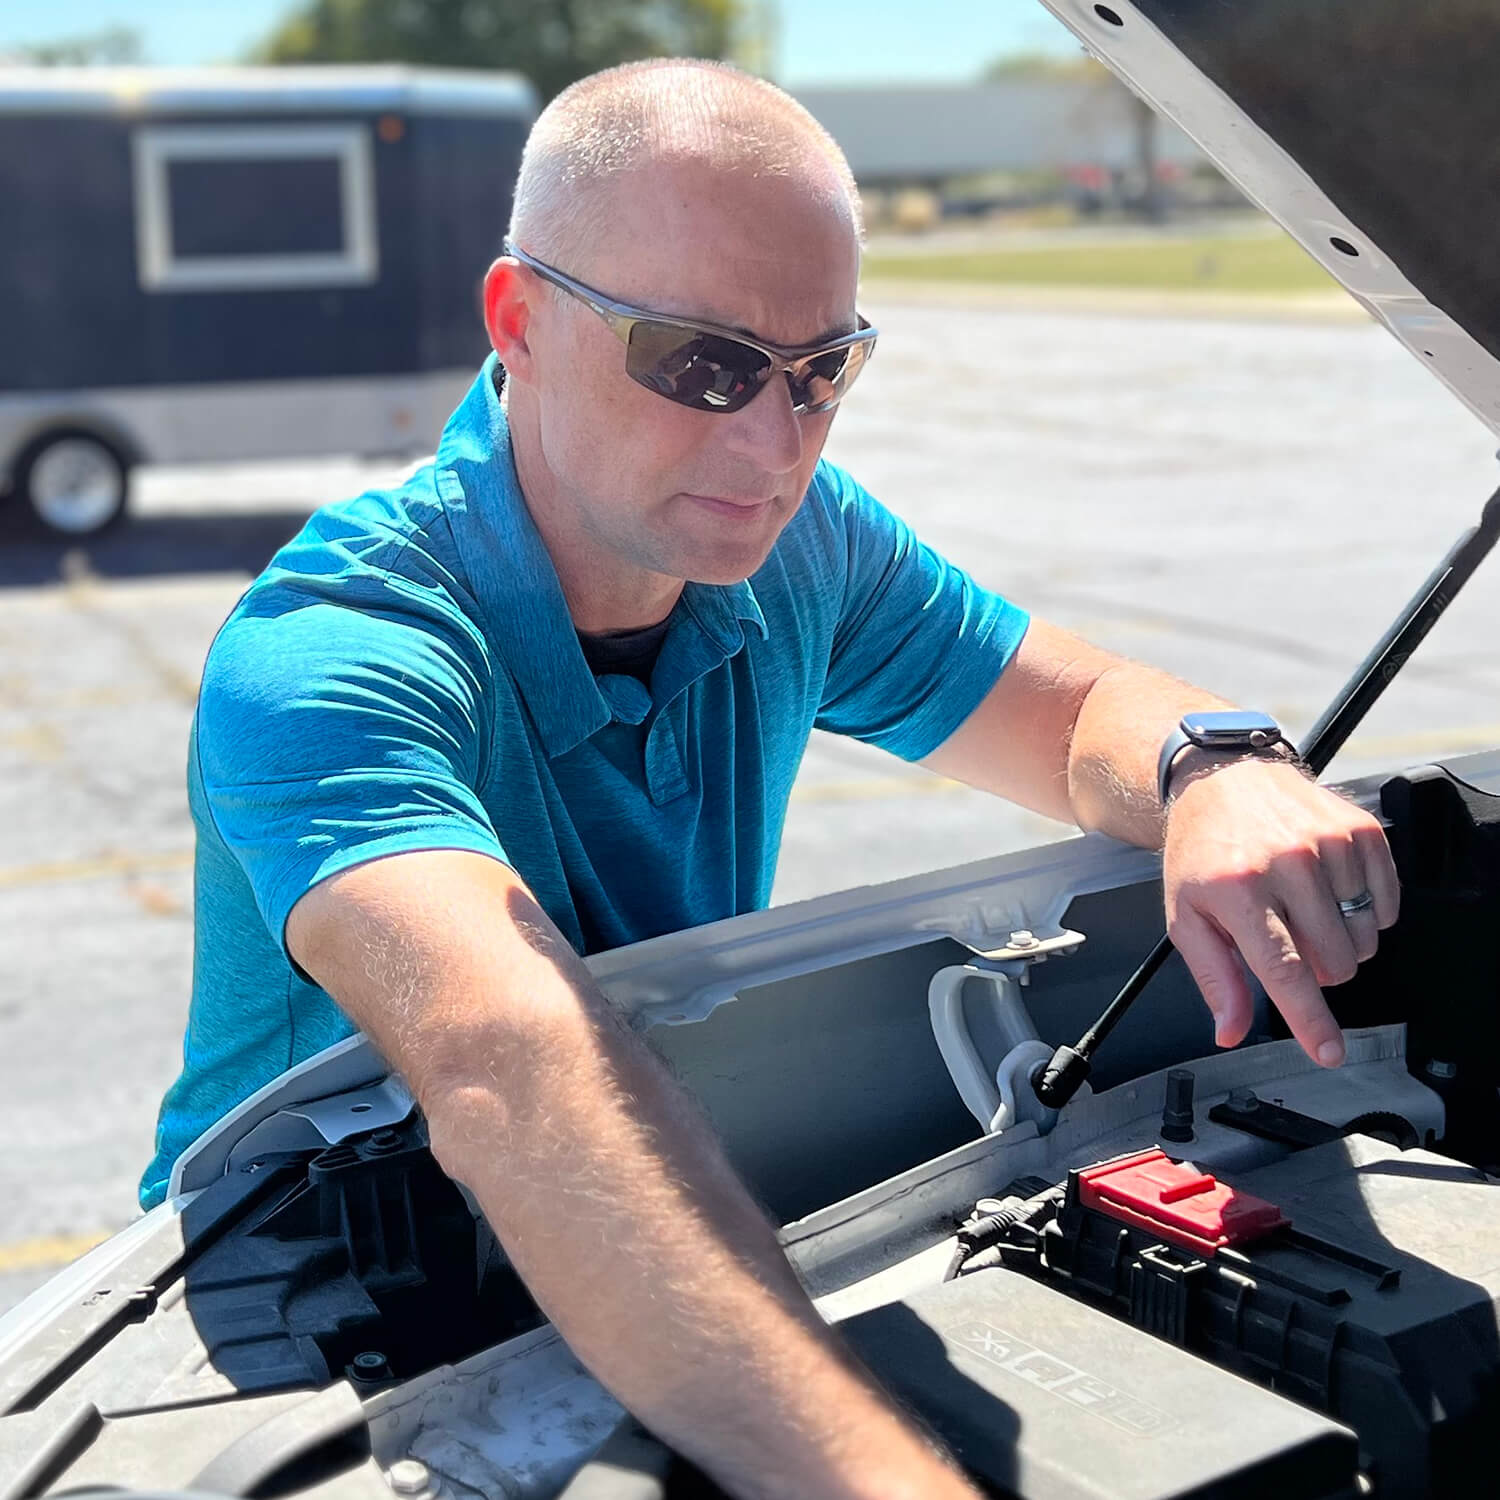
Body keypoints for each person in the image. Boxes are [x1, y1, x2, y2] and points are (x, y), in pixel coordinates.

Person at [140, 59, 1399, 1500]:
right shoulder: (333, 651)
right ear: (521, 322)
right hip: (302, 1324)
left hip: (643, 1219)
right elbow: (510, 1063)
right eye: (705, 364)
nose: (776, 443)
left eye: (824, 371)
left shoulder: (795, 550)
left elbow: (1075, 718)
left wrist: (1211, 766)